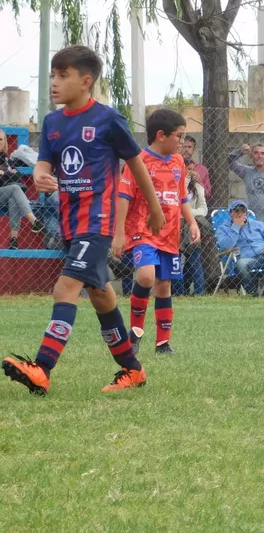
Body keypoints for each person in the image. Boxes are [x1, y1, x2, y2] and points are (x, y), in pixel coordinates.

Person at [2, 45, 164, 396]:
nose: (54, 83)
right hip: (70, 221)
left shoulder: (108, 119)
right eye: (52, 75)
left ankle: (41, 369)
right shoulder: (53, 123)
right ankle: (132, 370)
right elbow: (45, 163)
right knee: (102, 296)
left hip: (98, 221)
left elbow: (136, 164)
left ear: (86, 81)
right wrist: (43, 176)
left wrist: (154, 208)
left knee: (65, 287)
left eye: (63, 76)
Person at [113, 108, 201, 356]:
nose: (182, 142)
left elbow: (181, 197)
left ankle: (163, 343)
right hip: (142, 230)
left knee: (164, 286)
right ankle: (136, 332)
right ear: (161, 135)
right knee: (146, 276)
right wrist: (119, 232)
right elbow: (124, 196)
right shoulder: (137, 161)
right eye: (179, 136)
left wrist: (192, 222)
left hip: (169, 234)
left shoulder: (178, 162)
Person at [0, 128, 44, 248]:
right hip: (5, 191)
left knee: (14, 199)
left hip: (4, 194)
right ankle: (34, 221)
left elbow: (17, 175)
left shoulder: (5, 159)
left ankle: (13, 240)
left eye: (1, 140)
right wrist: (7, 175)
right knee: (14, 188)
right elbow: (11, 176)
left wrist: (4, 174)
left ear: (5, 142)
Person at [173, 166, 209, 296]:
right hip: (175, 225)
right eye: (188, 169)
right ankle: (178, 292)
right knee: (175, 260)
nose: (191, 172)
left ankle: (200, 292)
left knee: (195, 259)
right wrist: (185, 181)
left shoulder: (198, 188)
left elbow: (203, 209)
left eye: (193, 170)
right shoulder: (174, 185)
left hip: (190, 226)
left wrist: (189, 213)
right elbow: (176, 203)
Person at [180, 134, 212, 202]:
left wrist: (198, 182)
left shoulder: (202, 169)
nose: (186, 149)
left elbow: (208, 194)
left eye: (189, 147)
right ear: (179, 148)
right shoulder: (174, 166)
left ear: (194, 149)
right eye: (184, 147)